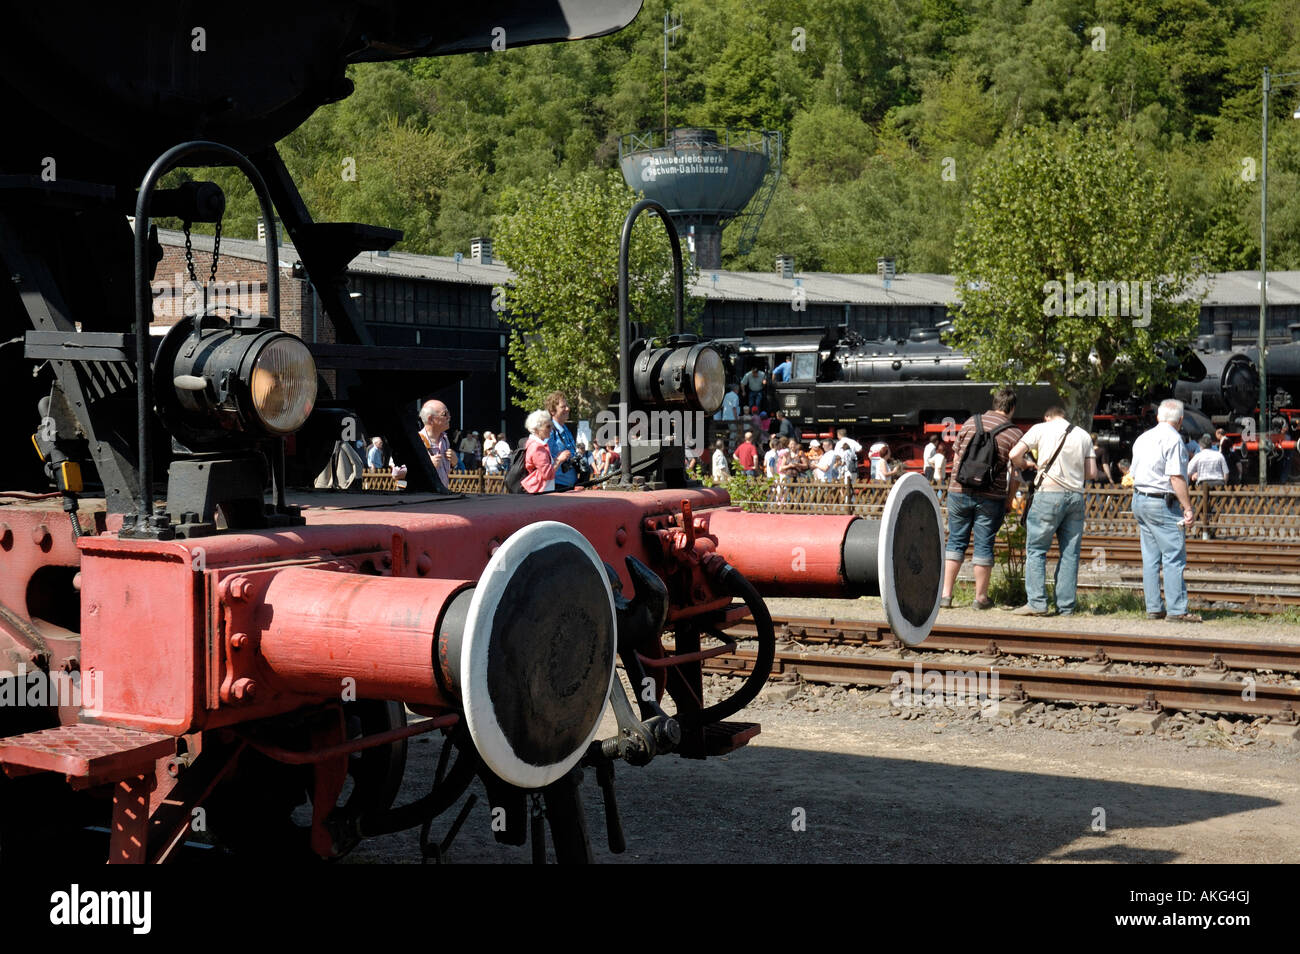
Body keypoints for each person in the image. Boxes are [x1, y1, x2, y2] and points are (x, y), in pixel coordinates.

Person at [940, 387, 1023, 610]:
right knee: (984, 544)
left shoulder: (970, 422)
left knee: (956, 541)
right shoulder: (1014, 434)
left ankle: (946, 595)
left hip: (960, 491)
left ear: (994, 403)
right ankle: (981, 598)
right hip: (991, 495)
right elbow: (1015, 474)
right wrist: (1009, 499)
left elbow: (957, 456)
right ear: (1012, 407)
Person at [1008, 407, 1096, 616]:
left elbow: (1014, 454)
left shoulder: (1041, 428)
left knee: (1037, 550)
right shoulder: (1083, 435)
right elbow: (1091, 473)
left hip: (1048, 494)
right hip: (1075, 497)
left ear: (1047, 416)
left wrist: (1026, 464)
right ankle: (1065, 606)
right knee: (1070, 553)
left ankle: (1037, 603)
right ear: (1064, 416)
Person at [1129, 398, 1201, 622]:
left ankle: (1153, 607)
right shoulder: (1174, 440)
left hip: (1140, 498)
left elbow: (1133, 471)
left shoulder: (1142, 438)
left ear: (1158, 417)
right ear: (1180, 420)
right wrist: (1187, 507)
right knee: (1173, 556)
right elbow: (1176, 476)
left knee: (1150, 557)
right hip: (1162, 501)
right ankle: (1177, 610)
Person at [418, 399, 458, 489]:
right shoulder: (416, 441)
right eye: (445, 414)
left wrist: (454, 463)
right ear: (430, 419)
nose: (449, 417)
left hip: (440, 497)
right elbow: (396, 473)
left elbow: (445, 471)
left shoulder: (444, 439)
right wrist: (427, 465)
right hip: (422, 499)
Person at [545, 391, 579, 491]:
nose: (568, 409)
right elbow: (542, 460)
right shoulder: (548, 431)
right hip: (557, 486)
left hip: (571, 484)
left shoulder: (565, 429)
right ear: (552, 411)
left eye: (567, 406)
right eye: (563, 407)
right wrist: (560, 459)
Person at [521, 409, 556, 494]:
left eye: (551, 426)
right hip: (541, 491)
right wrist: (559, 460)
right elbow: (547, 474)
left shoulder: (533, 444)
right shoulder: (537, 447)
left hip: (541, 491)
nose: (551, 430)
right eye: (548, 426)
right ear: (536, 428)